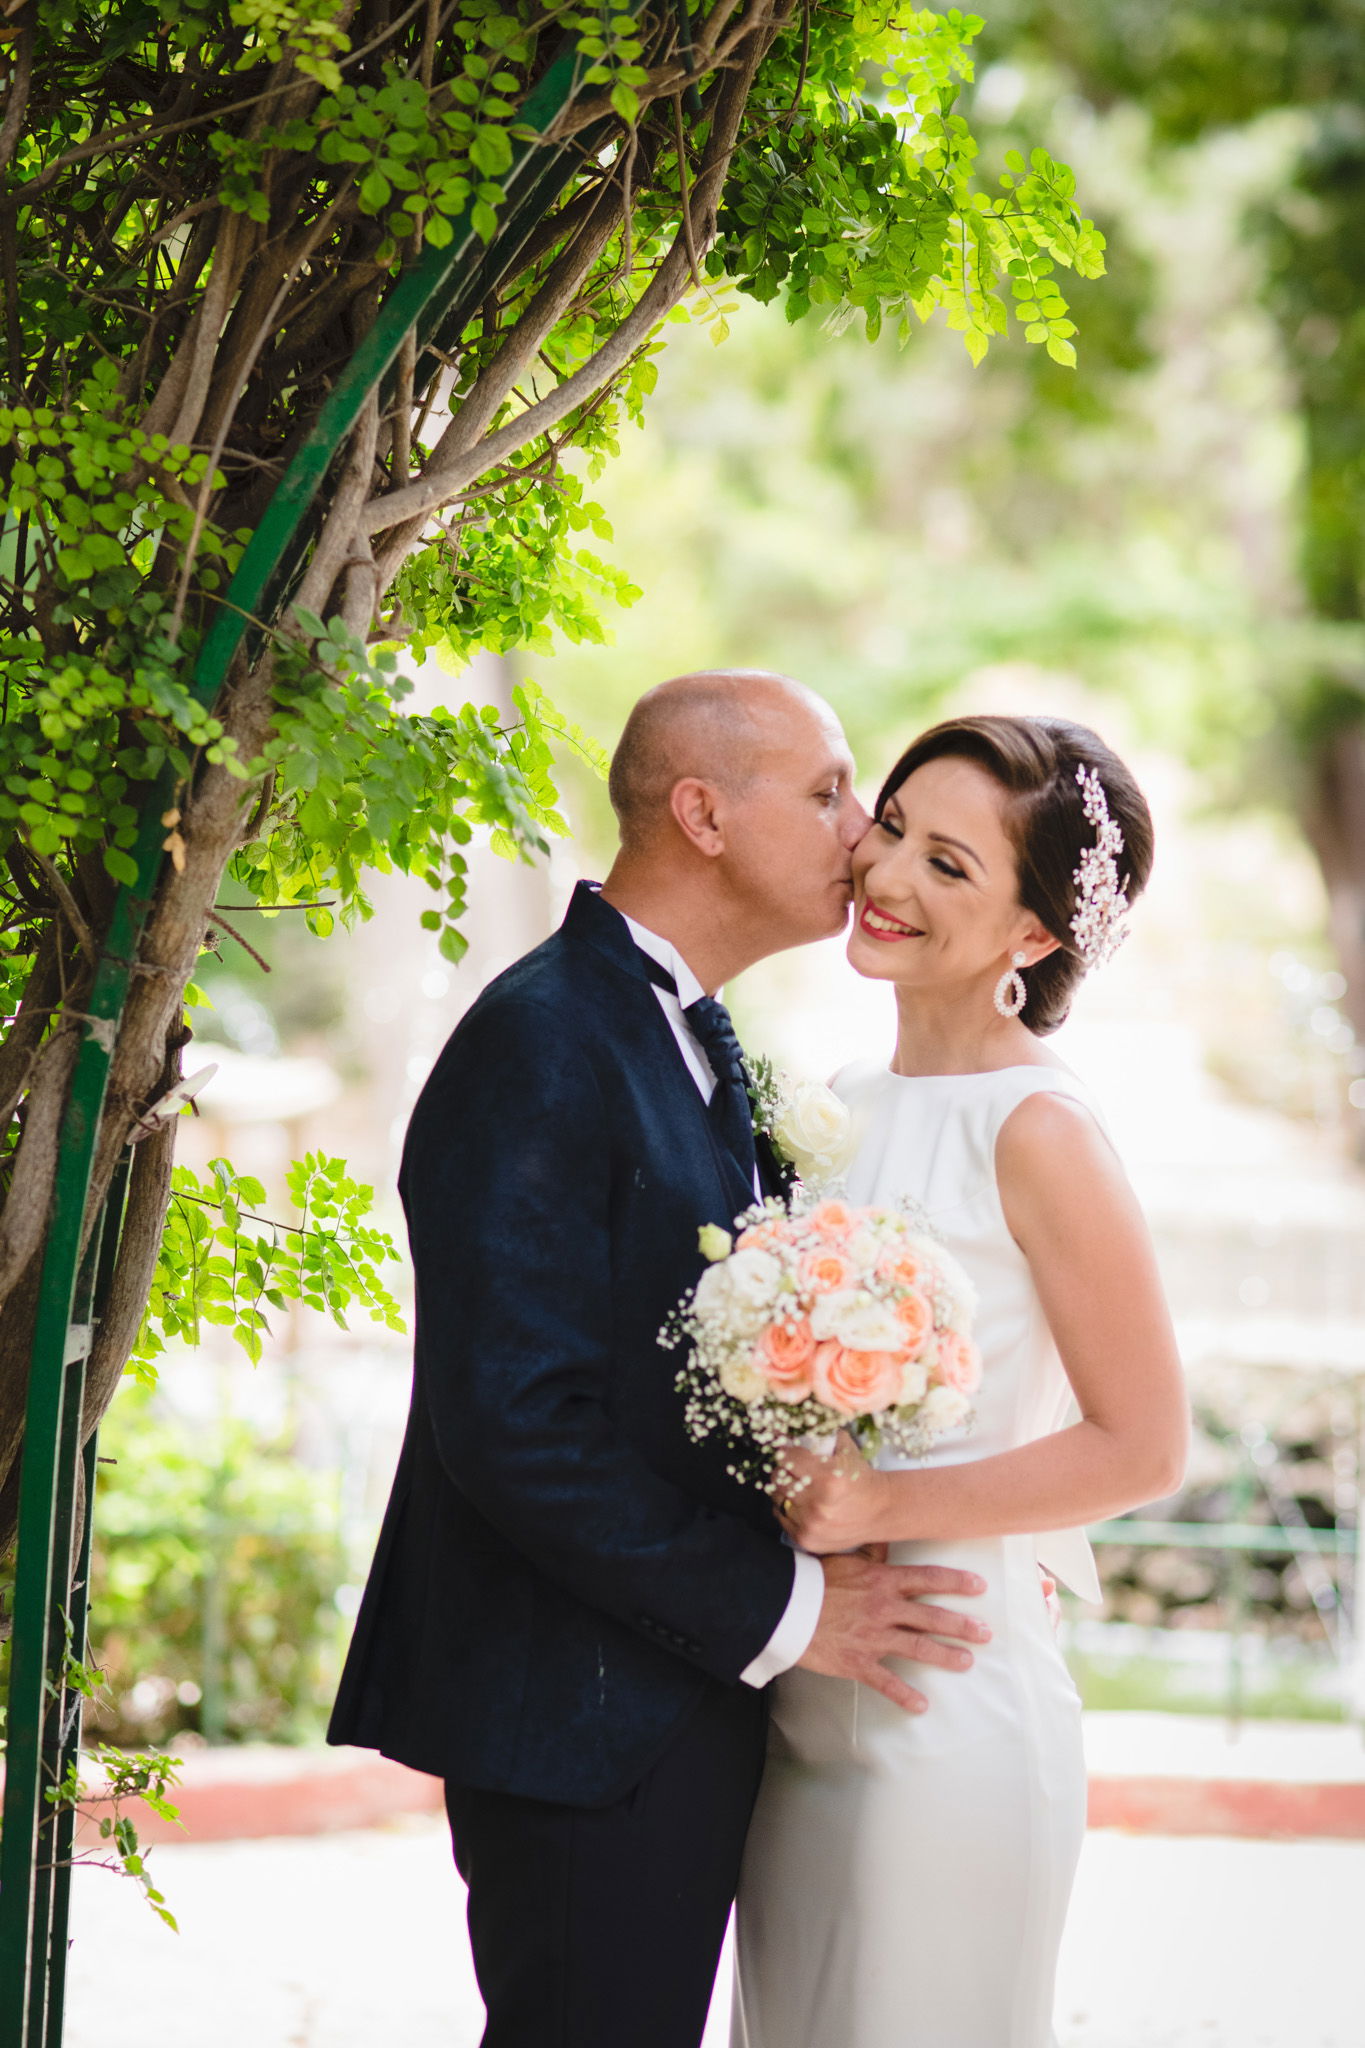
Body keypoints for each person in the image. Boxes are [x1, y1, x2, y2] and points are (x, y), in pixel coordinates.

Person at [328, 671, 990, 2048]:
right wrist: (794, 1612)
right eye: (823, 792)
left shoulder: (694, 1037)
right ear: (699, 811)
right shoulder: (543, 1038)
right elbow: (516, 1424)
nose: (857, 829)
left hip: (667, 1696)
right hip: (575, 1717)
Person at [732, 713, 1190, 2048]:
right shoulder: (830, 1101)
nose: (884, 880)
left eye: (949, 867)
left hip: (946, 1702)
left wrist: (875, 1504)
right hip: (800, 1700)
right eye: (889, 829)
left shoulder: (1039, 1131)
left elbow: (1144, 1446)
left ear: (1033, 937)